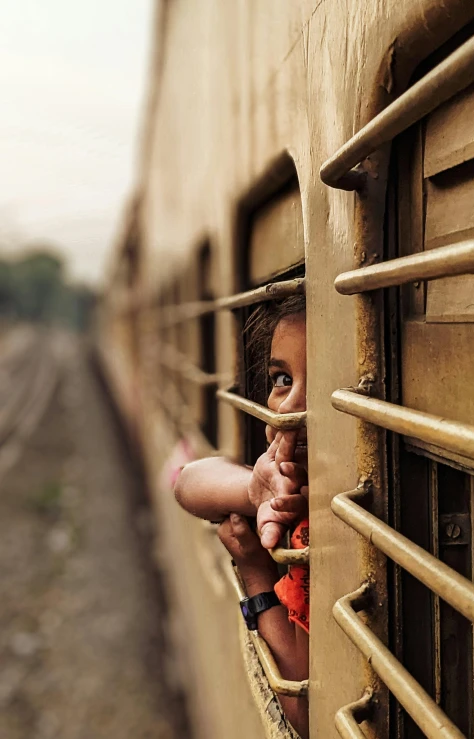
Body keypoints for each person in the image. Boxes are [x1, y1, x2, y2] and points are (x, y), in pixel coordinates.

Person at [174, 295, 309, 738]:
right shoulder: (281, 481)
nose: (289, 407)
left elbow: (305, 708)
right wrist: (252, 491)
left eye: (325, 379)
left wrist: (254, 571)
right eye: (282, 378)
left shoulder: (312, 526)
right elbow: (188, 482)